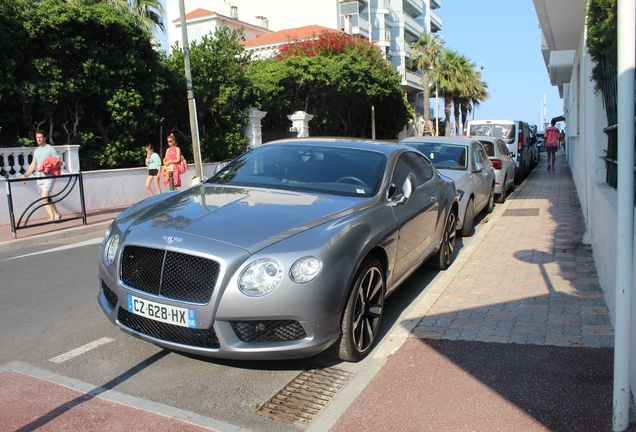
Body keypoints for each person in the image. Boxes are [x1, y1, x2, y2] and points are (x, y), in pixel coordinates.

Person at [22, 130, 63, 221]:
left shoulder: (50, 148)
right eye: (37, 137)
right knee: (45, 199)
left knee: (45, 196)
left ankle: (56, 214)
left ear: (45, 138)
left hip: (48, 176)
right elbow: (33, 164)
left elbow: (60, 162)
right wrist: (26, 176)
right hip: (39, 177)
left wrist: (49, 168)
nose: (39, 139)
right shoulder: (36, 151)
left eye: (40, 137)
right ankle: (53, 215)